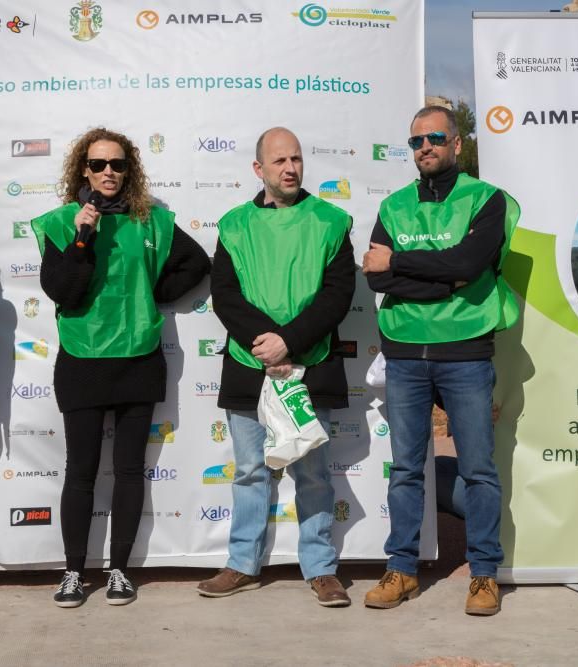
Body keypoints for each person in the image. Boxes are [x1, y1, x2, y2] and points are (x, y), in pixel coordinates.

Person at [32, 127, 209, 608]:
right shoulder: (61, 222)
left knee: (130, 471)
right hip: (83, 360)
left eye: (118, 164)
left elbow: (197, 263)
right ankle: (72, 571)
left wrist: (153, 295)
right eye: (98, 165)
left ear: (129, 169)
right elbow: (63, 290)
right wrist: (83, 237)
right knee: (81, 472)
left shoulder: (151, 221)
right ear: (83, 171)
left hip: (138, 358)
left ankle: (119, 570)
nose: (108, 172)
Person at [361, 105, 519, 615]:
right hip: (404, 353)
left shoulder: (487, 200)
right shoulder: (394, 205)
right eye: (415, 141)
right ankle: (401, 570)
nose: (424, 147)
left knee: (478, 469)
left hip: (466, 352)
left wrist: (407, 265)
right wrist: (442, 278)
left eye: (434, 138)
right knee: (406, 469)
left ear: (456, 144)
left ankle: (484, 574)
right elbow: (376, 277)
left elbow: (469, 266)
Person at [197, 127, 355, 607]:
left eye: (297, 159)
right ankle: (242, 563)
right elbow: (224, 294)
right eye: (280, 161)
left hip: (312, 364)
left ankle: (321, 568)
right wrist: (264, 341)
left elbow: (337, 294)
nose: (290, 168)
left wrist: (289, 340)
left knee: (313, 473)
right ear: (258, 169)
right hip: (249, 364)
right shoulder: (234, 224)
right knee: (250, 472)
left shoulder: (331, 221)